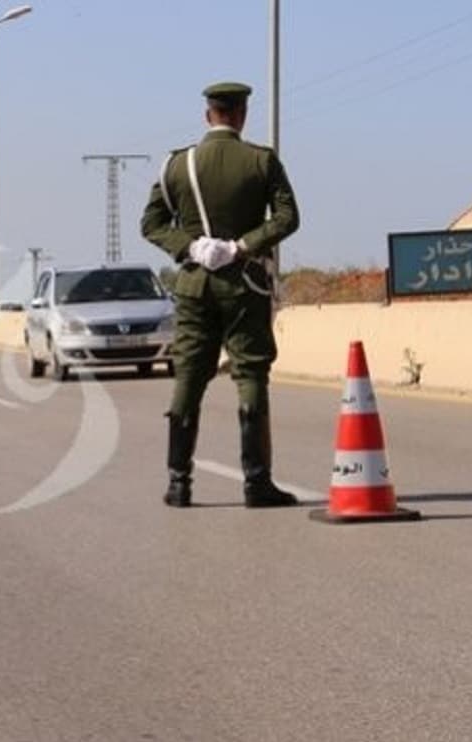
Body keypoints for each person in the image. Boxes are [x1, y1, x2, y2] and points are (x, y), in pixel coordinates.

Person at [140, 82, 300, 509]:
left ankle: (179, 483)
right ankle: (257, 482)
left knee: (190, 375)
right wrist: (243, 246)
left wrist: (190, 247)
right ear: (242, 114)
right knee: (250, 374)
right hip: (244, 284)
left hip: (193, 286)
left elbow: (152, 223)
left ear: (207, 114)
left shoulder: (177, 165)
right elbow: (287, 217)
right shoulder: (260, 161)